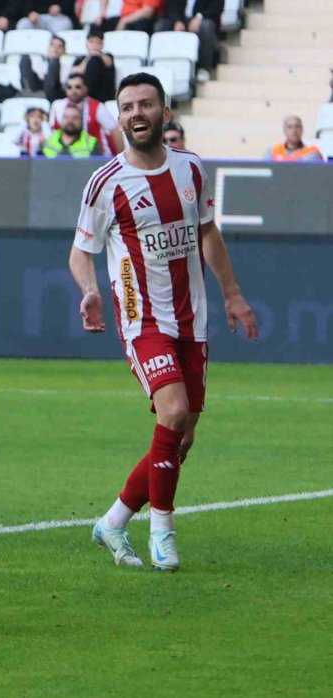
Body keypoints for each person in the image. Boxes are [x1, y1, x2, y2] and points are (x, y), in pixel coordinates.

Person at [69, 72, 258, 572]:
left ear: (164, 112)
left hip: (192, 319)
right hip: (142, 319)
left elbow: (208, 233)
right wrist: (90, 290)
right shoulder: (106, 182)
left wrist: (233, 294)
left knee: (182, 437)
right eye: (128, 106)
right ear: (119, 117)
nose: (137, 113)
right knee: (172, 412)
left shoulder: (191, 169)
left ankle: (113, 521)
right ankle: (162, 532)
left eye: (146, 104)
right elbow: (80, 251)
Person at [155, 0, 224, 82]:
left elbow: (217, 5)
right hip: (181, 19)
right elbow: (171, 4)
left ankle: (203, 68)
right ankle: (160, 66)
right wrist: (177, 21)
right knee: (161, 26)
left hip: (202, 18)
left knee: (206, 26)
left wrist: (200, 17)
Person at [50, 73, 123, 154]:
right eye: (69, 87)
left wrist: (119, 156)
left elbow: (115, 131)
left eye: (78, 87)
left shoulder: (97, 107)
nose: (73, 91)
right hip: (66, 155)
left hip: (97, 154)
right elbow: (52, 134)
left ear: (86, 89)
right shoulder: (57, 106)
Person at [96, 0, 165, 33]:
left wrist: (124, 21)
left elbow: (148, 12)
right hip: (125, 17)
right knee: (98, 25)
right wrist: (103, 13)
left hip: (146, 19)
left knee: (139, 26)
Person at [70, 27, 115, 103]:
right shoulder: (80, 59)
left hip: (102, 94)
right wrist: (89, 58)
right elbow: (74, 71)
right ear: (86, 44)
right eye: (91, 42)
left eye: (97, 43)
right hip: (82, 93)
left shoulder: (107, 56)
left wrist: (96, 55)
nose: (94, 45)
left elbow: (108, 63)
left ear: (102, 45)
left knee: (95, 60)